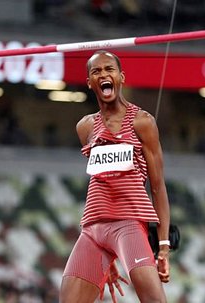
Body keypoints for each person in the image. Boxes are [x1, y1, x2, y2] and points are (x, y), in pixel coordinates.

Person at [60, 50, 171, 303]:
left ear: (121, 77)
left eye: (109, 69)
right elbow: (104, 176)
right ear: (89, 82)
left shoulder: (142, 122)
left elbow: (157, 187)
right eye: (96, 71)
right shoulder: (85, 127)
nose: (103, 74)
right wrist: (105, 260)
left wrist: (163, 246)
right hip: (92, 229)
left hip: (128, 224)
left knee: (154, 300)